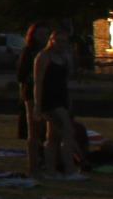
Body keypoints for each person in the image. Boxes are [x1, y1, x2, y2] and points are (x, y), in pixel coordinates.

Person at [35, 22, 79, 178]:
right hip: (50, 100)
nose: (61, 44)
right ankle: (69, 169)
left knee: (53, 136)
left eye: (64, 41)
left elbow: (66, 81)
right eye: (58, 41)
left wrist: (69, 100)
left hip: (61, 99)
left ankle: (51, 170)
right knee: (68, 131)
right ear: (52, 41)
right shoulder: (44, 56)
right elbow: (38, 82)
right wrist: (37, 106)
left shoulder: (65, 58)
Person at [15, 21, 46, 148]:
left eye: (45, 34)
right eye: (40, 34)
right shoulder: (28, 51)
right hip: (31, 91)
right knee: (34, 126)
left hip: (46, 91)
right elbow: (21, 74)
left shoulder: (47, 51)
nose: (43, 36)